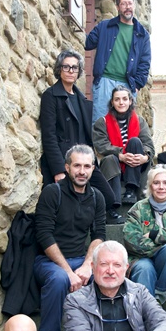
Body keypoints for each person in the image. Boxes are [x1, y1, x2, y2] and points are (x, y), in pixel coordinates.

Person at [34, 145, 106, 331]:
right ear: (67, 167)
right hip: (49, 261)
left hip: (80, 259)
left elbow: (99, 235)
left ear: (93, 168)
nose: (82, 171)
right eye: (77, 166)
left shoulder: (97, 197)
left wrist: (87, 265)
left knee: (104, 276)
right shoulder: (52, 192)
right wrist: (68, 271)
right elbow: (44, 235)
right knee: (58, 280)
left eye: (87, 166)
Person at [39, 48, 123, 225]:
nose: (70, 71)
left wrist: (93, 163)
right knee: (65, 208)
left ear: (78, 72)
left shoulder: (81, 99)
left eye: (74, 68)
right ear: (59, 69)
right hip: (64, 161)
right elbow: (49, 136)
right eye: (66, 67)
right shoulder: (50, 96)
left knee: (107, 196)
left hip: (85, 158)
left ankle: (95, 218)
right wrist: (58, 170)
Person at [123, 165, 166, 305]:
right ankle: (146, 311)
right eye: (156, 183)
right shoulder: (138, 208)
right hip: (143, 261)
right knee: (144, 268)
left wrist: (154, 234)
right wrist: (159, 250)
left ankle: (160, 294)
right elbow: (131, 240)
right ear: (150, 186)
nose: (161, 187)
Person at [85, 0, 151, 123]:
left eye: (130, 3)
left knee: (124, 127)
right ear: (117, 7)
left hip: (128, 84)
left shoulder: (142, 34)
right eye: (123, 4)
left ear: (134, 5)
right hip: (104, 81)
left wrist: (137, 85)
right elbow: (87, 43)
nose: (128, 7)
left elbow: (145, 62)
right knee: (100, 124)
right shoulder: (104, 26)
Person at [92, 86, 154, 206]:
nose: (121, 102)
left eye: (125, 99)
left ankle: (131, 190)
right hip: (115, 164)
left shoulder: (140, 121)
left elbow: (148, 145)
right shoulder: (102, 122)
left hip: (136, 165)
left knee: (135, 142)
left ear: (130, 101)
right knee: (110, 158)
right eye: (117, 99)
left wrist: (145, 157)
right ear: (112, 102)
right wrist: (121, 155)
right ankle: (114, 203)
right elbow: (101, 145)